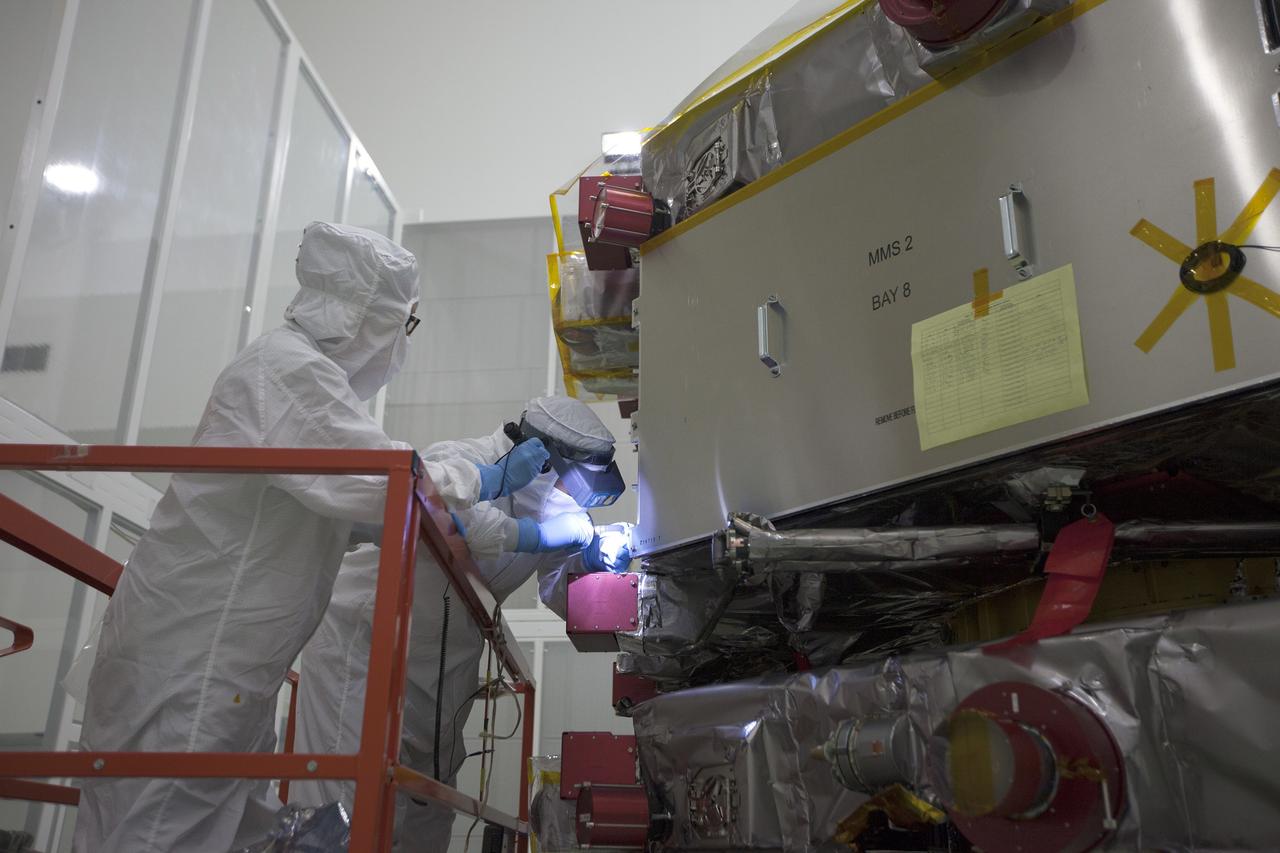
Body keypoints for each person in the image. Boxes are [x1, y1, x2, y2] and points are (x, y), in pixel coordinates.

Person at [72, 222, 551, 853]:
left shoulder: (301, 378)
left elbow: (363, 512)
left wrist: (486, 513)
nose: (401, 345)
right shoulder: (284, 370)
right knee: (160, 826)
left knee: (213, 820)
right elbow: (381, 481)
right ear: (361, 315)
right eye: (401, 325)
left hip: (231, 659)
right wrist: (482, 480)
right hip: (193, 655)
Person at [289, 396, 634, 851]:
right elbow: (461, 518)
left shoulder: (555, 508)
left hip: (443, 674)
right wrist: (532, 535)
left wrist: (592, 563)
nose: (574, 501)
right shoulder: (467, 459)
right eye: (575, 486)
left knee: (425, 817)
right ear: (546, 460)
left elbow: (558, 591)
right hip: (364, 653)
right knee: (349, 811)